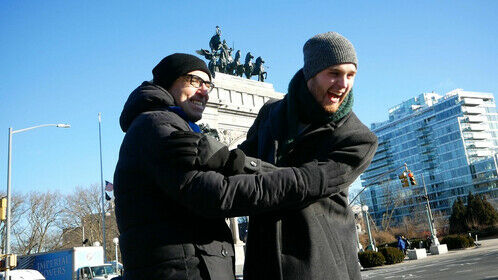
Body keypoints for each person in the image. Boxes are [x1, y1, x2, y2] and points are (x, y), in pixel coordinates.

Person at [113, 53, 348, 279]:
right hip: (183, 269)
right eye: (195, 81)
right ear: (168, 82)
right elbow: (218, 193)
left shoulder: (168, 123)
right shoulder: (157, 125)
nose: (204, 91)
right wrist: (303, 180)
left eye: (208, 84)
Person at [238, 31, 378, 280]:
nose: (344, 84)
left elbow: (304, 183)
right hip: (263, 265)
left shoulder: (358, 138)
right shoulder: (270, 114)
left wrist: (247, 166)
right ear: (311, 73)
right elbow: (236, 166)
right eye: (334, 73)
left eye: (351, 75)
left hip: (320, 267)